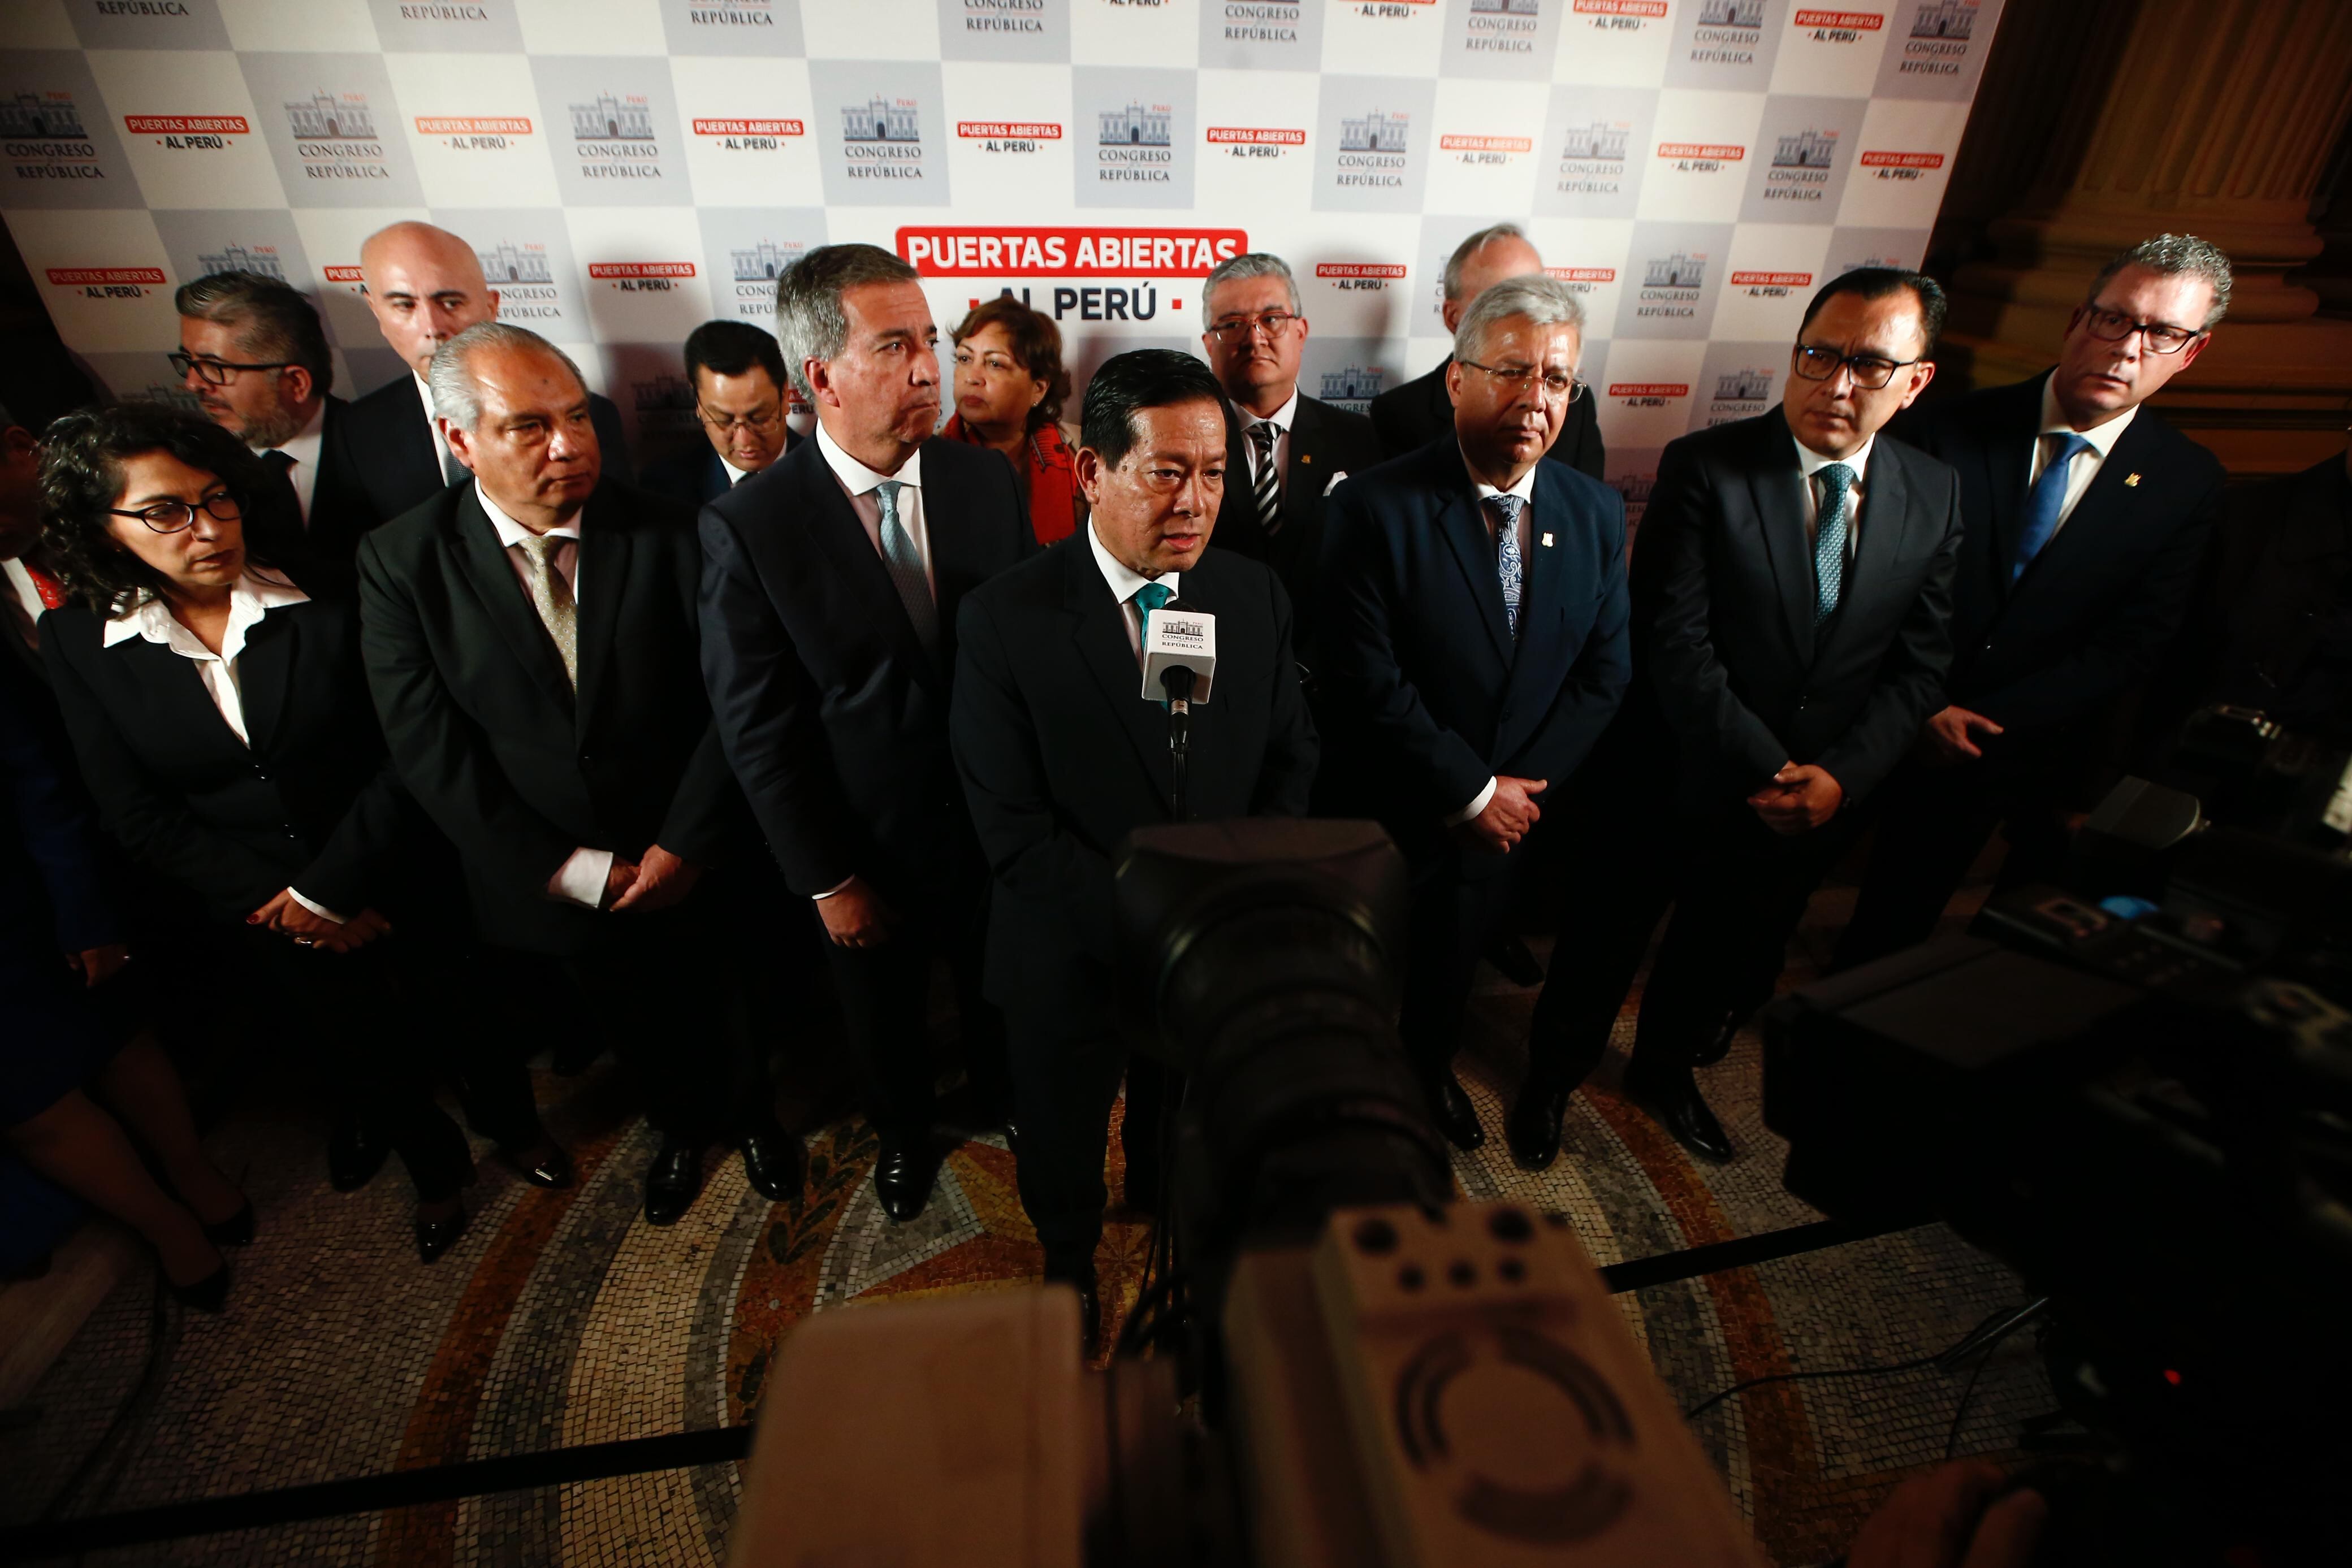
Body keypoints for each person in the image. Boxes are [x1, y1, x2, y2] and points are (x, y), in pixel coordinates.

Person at [37, 401, 552, 1260]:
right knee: (358, 1051)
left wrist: (335, 883)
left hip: (398, 865)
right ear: (101, 528)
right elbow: (132, 811)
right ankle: (434, 1172)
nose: (206, 528)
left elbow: (410, 748)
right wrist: (288, 903)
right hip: (264, 909)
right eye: (166, 511)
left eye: (217, 498)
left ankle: (519, 1132)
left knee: (468, 1014)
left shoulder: (335, 585)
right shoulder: (75, 641)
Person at [1524, 268, 1963, 1168]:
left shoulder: (1938, 494)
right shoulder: (1707, 466)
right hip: (1675, 772)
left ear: (1916, 380)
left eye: (1870, 366)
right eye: (1819, 355)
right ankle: (1550, 1079)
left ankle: (1662, 1070)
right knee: (1602, 942)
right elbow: (1676, 643)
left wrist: (1840, 777)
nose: (1836, 385)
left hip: (1814, 794)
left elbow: (1920, 666)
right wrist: (1769, 766)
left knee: (1722, 948)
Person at [357, 322, 792, 1227]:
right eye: (528, 426)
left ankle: (757, 1120)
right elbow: (429, 746)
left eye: (577, 417)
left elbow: (733, 703)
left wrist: (685, 843)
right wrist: (570, 869)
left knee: (739, 994)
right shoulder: (402, 562)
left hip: (697, 845)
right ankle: (679, 1129)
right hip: (550, 876)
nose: (569, 445)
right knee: (634, 1021)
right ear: (459, 437)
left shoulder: (680, 532)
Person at [952, 348, 1317, 1347]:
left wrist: (1231, 902)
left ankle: (1167, 1198)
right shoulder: (1002, 620)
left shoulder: (1250, 597)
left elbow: (1291, 759)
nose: (1196, 501)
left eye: (1213, 473)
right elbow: (1016, 834)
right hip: (1069, 953)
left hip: (1209, 949)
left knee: (1184, 1109)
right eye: (1167, 472)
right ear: (1092, 472)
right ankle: (1068, 1262)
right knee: (1063, 1140)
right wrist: (1161, 921)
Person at [699, 244, 1031, 1225]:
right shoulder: (750, 526)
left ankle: (1005, 1097)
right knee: (881, 1020)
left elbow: (1019, 664)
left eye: (929, 341)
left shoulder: (984, 483)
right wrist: (826, 877)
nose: (932, 368)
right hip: (859, 846)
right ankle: (902, 1134)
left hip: (987, 825)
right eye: (896, 346)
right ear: (821, 374)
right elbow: (756, 727)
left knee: (995, 995)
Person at [1835, 236, 2234, 971]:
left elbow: (2136, 641)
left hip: (2006, 743)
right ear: (2078, 319)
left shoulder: (2188, 481)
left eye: (2162, 334)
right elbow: (1863, 579)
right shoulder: (1942, 428)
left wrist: (1992, 722)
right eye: (2115, 319)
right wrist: (1921, 702)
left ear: (2192, 352)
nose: (2127, 349)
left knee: (1901, 934)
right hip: (1871, 709)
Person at [1318, 275, 1631, 1154]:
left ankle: (1426, 1071)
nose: (1537, 398)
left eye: (1558, 379)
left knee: (1452, 972)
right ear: (1458, 379)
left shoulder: (1597, 511)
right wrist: (1469, 787)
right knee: (1362, 973)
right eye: (1514, 372)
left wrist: (1516, 794)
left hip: (1509, 818)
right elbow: (1364, 675)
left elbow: (1606, 674)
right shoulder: (1373, 505)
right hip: (1397, 806)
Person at [2, 668, 248, 1309]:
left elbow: (36, 779)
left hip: (25, 896)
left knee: (115, 1035)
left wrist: (79, 903)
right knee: (30, 1102)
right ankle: (164, 1225)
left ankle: (193, 1170)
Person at [332, 221, 632, 535]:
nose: (432, 326)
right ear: (376, 310)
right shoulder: (355, 431)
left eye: (450, 303)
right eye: (405, 306)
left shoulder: (590, 416)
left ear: (491, 306)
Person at [1197, 253, 1382, 660]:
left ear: (1300, 331)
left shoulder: (1361, 439)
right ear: (1210, 344)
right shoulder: (1184, 441)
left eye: (1271, 319)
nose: (1255, 337)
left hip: (1333, 674)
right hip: (1218, 669)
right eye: (1233, 325)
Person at [1369, 223, 1606, 480]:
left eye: (1538, 299)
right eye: (1500, 302)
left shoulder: (1576, 407)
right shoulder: (1401, 414)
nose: (1537, 400)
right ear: (1453, 317)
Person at [173, 270, 359, 575]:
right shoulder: (194, 463)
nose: (193, 384)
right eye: (190, 363)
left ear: (296, 383)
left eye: (214, 367)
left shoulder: (384, 451)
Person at [943, 297, 1084, 546]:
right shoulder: (926, 456)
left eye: (995, 364)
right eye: (965, 359)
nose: (972, 378)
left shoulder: (1083, 451)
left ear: (1038, 389)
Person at [640, 319, 802, 506]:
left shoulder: (834, 476)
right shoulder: (664, 490)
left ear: (785, 397)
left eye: (759, 419)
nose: (744, 441)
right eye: (723, 421)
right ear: (698, 405)